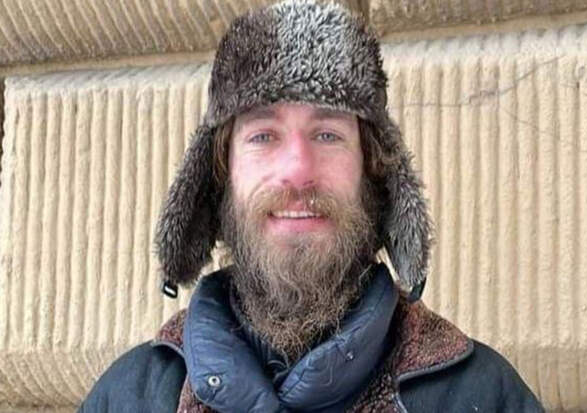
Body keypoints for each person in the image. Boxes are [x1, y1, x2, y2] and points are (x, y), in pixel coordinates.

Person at [79, 0, 544, 411]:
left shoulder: (482, 395)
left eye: (327, 134)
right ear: (219, 176)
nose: (298, 170)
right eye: (263, 135)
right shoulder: (130, 398)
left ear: (374, 172)